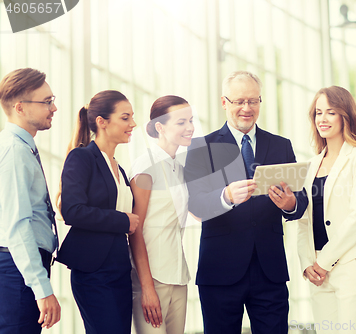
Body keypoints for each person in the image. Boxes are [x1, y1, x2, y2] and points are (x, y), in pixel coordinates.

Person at [184, 70, 307, 334]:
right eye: (239, 101)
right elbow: (194, 204)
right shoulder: (200, 148)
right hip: (220, 271)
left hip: (269, 271)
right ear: (224, 102)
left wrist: (289, 204)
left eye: (253, 101)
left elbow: (301, 199)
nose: (246, 108)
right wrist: (225, 197)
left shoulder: (280, 145)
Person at [284, 86, 356, 333]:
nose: (322, 119)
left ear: (344, 115)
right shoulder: (312, 164)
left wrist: (323, 261)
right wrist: (307, 263)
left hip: (349, 264)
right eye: (318, 112)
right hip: (317, 271)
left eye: (331, 112)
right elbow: (303, 219)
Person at [56, 90, 139, 334]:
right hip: (94, 271)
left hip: (120, 269)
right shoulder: (81, 157)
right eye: (125, 118)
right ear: (102, 122)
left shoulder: (119, 169)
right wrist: (123, 220)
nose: (132, 123)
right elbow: (72, 210)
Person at [0, 68, 61, 333]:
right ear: (20, 108)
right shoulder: (15, 150)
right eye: (46, 101)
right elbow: (17, 224)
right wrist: (42, 289)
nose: (54, 107)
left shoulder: (21, 147)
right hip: (16, 268)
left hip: (18, 266)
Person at [128, 95, 194, 334]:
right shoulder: (146, 166)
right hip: (151, 279)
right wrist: (147, 287)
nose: (190, 127)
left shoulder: (179, 167)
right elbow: (135, 229)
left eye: (191, 120)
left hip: (178, 276)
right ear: (160, 127)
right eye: (181, 122)